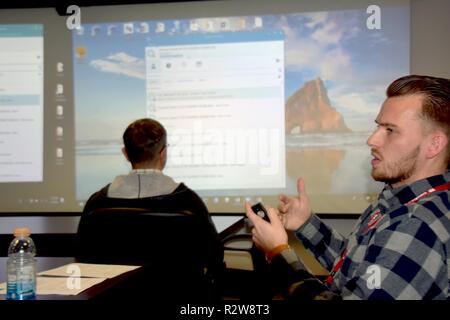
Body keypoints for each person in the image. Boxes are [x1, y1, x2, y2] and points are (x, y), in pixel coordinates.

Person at [246, 75, 450, 300]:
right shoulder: (399, 198)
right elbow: (356, 269)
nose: (372, 140)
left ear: (434, 145)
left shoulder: (418, 225)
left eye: (390, 130)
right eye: (378, 127)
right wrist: (305, 223)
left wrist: (278, 253)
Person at [80, 118, 225, 299]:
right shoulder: (189, 203)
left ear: (125, 153)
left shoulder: (96, 204)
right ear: (163, 153)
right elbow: (214, 258)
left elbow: (83, 257)